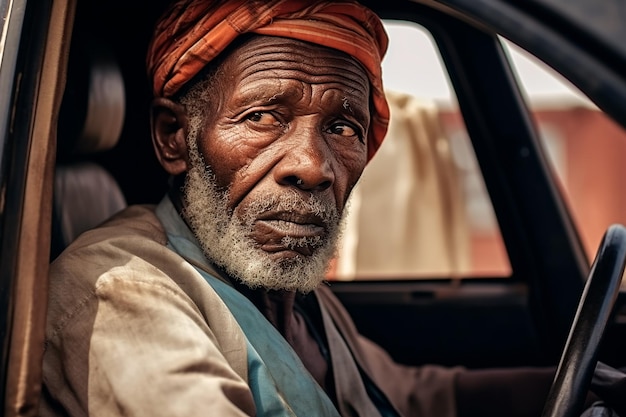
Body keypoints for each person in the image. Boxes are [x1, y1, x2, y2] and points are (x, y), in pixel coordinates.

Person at [40, 1, 624, 416]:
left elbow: (410, 395)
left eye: (344, 127)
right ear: (175, 137)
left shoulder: (292, 297)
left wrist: (577, 382)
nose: (313, 167)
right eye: (263, 116)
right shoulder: (120, 292)